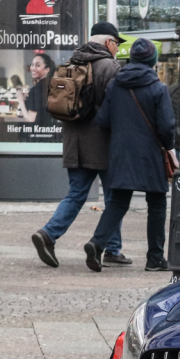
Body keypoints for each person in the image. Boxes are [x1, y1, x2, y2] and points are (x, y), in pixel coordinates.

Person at [30, 22, 128, 268]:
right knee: (115, 198)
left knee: (75, 194)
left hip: (74, 140)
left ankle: (49, 235)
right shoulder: (110, 67)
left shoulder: (70, 63)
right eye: (116, 44)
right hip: (104, 142)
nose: (117, 49)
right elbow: (118, 108)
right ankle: (109, 248)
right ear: (108, 43)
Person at [83, 38, 176, 272]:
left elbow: (102, 120)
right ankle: (155, 258)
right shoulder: (158, 88)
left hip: (120, 153)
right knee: (156, 204)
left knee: (118, 202)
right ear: (153, 61)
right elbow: (166, 127)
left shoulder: (115, 85)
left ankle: (97, 243)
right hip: (151, 154)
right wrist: (170, 147)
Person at [21, 52, 55, 126]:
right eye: (32, 65)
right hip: (50, 129)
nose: (33, 68)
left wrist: (20, 100)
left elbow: (30, 119)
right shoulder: (51, 85)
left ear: (47, 69)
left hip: (38, 131)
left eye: (37, 65)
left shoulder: (36, 90)